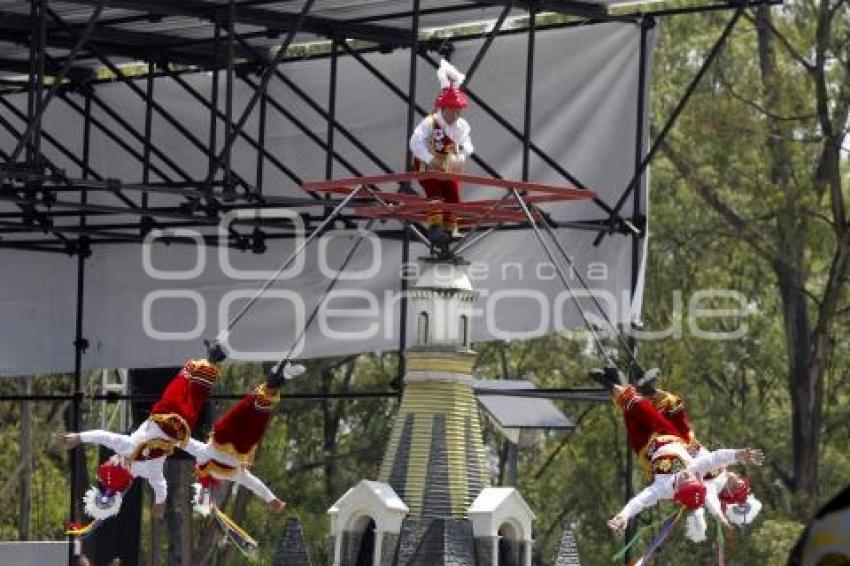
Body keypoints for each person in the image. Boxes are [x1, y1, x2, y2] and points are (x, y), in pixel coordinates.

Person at [590, 366, 764, 536]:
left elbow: (641, 501)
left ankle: (614, 381)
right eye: (692, 478)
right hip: (675, 437)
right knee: (663, 406)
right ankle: (642, 387)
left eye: (736, 486)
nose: (686, 475)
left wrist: (623, 516)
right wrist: (740, 454)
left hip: (647, 448)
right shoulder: (695, 471)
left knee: (631, 411)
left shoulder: (668, 488)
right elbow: (717, 457)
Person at [62, 342, 226, 520]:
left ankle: (213, 360)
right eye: (111, 461)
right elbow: (103, 436)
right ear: (116, 464)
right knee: (184, 382)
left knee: (195, 395)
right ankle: (210, 359)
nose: (111, 458)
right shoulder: (126, 447)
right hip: (165, 414)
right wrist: (78, 438)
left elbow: (160, 486)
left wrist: (159, 503)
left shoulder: (147, 470)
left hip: (180, 428)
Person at [188, 360, 305, 515]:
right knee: (257, 408)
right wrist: (271, 498)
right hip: (239, 443)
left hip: (227, 437)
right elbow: (254, 484)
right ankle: (279, 377)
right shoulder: (232, 474)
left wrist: (271, 498)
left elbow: (181, 441)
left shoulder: (204, 459)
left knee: (252, 406)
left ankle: (277, 377)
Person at [409, 58, 474, 240]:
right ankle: (435, 228)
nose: (457, 113)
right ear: (444, 108)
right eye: (454, 109)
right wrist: (430, 159)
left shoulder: (461, 125)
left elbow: (469, 145)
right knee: (435, 193)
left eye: (459, 109)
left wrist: (461, 149)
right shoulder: (430, 122)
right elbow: (414, 142)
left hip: (447, 166)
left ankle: (450, 228)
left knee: (453, 195)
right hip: (426, 164)